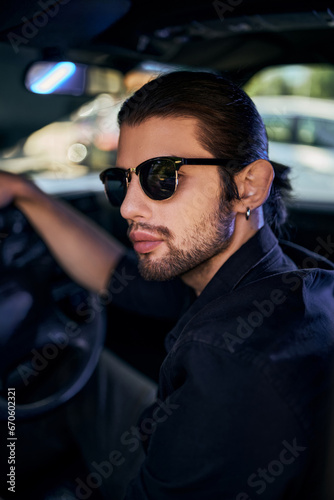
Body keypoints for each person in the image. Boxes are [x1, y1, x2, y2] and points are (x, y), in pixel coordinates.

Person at [1, 70, 334, 500]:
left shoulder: (228, 361)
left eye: (162, 177)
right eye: (122, 181)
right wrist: (27, 193)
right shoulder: (284, 275)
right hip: (173, 432)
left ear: (249, 186)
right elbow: (119, 278)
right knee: (82, 371)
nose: (129, 208)